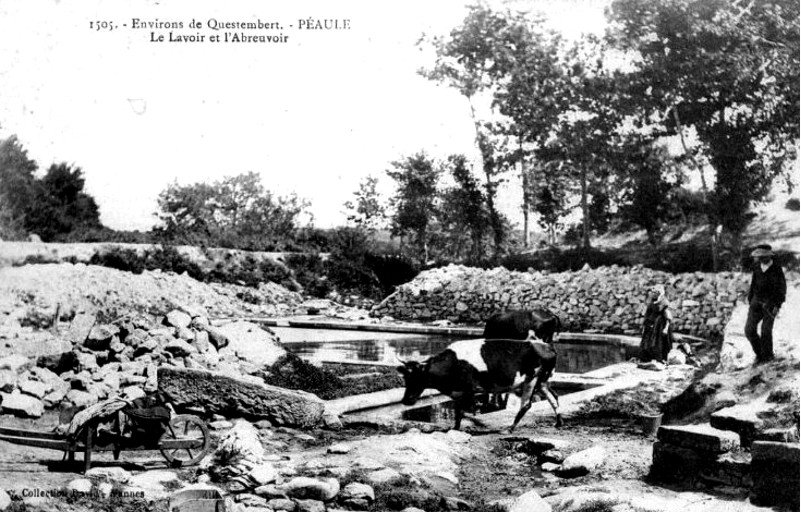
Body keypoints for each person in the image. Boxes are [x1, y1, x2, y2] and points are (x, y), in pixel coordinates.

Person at [745, 244, 786, 364]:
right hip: (756, 303)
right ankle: (760, 354)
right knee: (749, 330)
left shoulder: (776, 269)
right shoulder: (756, 266)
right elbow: (753, 284)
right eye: (759, 256)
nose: (760, 259)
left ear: (768, 256)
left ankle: (768, 357)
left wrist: (777, 305)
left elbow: (782, 289)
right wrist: (751, 299)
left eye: (763, 256)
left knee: (766, 331)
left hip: (771, 305)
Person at [640, 284, 673, 363]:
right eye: (652, 292)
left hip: (660, 326)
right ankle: (647, 359)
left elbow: (667, 316)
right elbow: (647, 314)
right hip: (650, 326)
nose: (653, 294)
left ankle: (661, 359)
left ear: (659, 293)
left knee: (659, 343)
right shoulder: (652, 302)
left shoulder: (664, 302)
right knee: (647, 343)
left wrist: (665, 328)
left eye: (655, 292)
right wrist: (645, 325)